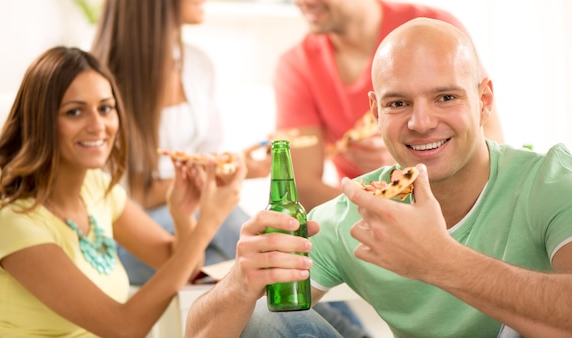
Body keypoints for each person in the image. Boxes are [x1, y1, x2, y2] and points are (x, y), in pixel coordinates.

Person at [184, 18, 572, 338]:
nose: (421, 123)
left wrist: (441, 260)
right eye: (398, 103)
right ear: (375, 111)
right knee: (262, 316)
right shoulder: (352, 213)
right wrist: (239, 281)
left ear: (484, 100)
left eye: (446, 98)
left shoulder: (549, 181)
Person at [0, 46, 246, 336]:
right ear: (41, 121)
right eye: (75, 112)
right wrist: (210, 221)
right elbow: (124, 327)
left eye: (105, 109)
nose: (98, 126)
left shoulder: (95, 188)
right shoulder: (13, 223)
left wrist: (183, 215)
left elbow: (181, 261)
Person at [275, 0, 505, 211]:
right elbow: (304, 186)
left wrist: (407, 157)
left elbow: (492, 137)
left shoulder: (435, 28)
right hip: (366, 216)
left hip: (459, 207)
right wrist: (380, 208)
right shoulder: (295, 66)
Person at [90, 0, 270, 284]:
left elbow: (200, 168)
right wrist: (220, 175)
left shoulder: (197, 65)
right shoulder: (101, 75)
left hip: (198, 225)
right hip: (131, 237)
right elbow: (139, 193)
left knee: (249, 266)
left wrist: (235, 166)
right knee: (253, 249)